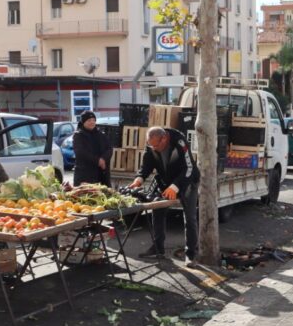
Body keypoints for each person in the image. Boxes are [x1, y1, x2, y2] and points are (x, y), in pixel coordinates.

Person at [129, 127, 199, 265]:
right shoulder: (152, 144)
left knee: (190, 218)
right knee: (158, 211)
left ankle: (191, 254)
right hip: (165, 181)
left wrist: (175, 187)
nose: (154, 148)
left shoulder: (179, 141)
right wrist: (139, 179)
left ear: (165, 138)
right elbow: (146, 166)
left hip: (186, 180)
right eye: (151, 145)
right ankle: (158, 248)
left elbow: (189, 167)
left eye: (156, 145)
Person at [71, 111, 113, 186]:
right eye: (89, 120)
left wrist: (103, 159)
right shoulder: (78, 135)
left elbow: (109, 148)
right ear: (83, 122)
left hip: (101, 174)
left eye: (93, 120)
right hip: (84, 174)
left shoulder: (101, 134)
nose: (92, 122)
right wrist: (98, 161)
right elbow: (80, 152)